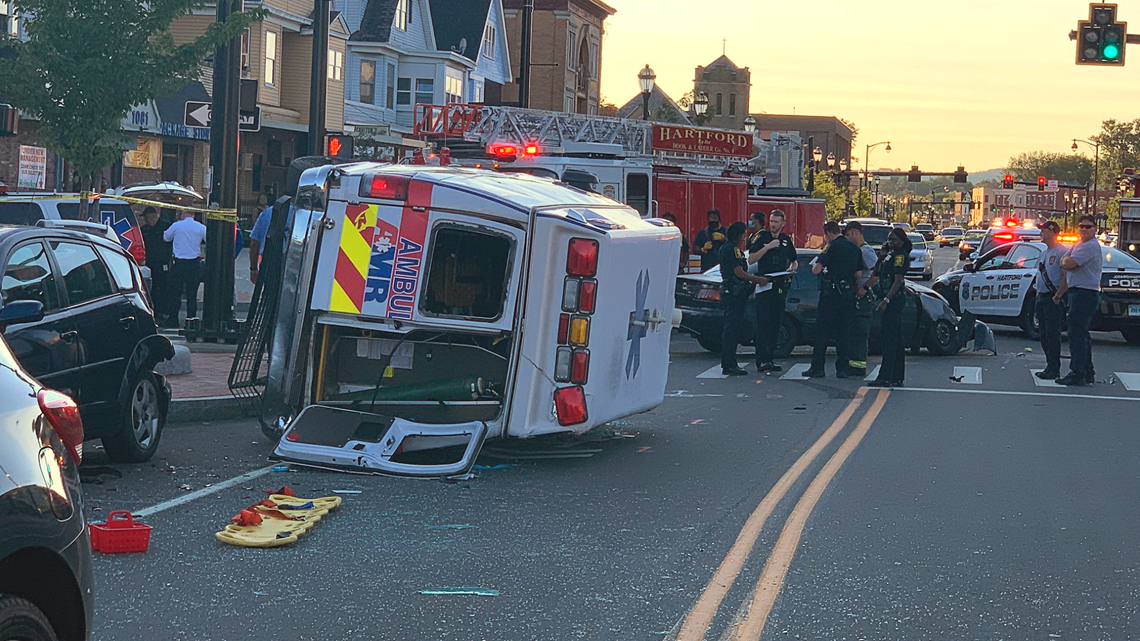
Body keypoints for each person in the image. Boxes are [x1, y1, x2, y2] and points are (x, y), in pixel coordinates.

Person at [805, 221, 863, 378]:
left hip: (831, 295)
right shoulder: (854, 248)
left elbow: (817, 270)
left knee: (823, 331)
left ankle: (817, 367)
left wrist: (819, 265)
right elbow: (859, 274)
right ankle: (842, 369)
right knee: (843, 332)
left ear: (828, 233)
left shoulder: (831, 246)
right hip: (847, 294)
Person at [747, 210, 798, 372]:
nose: (773, 224)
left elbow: (794, 260)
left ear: (783, 224)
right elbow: (751, 258)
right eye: (771, 221)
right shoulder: (762, 237)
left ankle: (770, 359)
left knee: (776, 324)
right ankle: (761, 359)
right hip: (764, 285)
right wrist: (767, 247)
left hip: (779, 285)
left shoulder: (785, 240)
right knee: (763, 325)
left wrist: (791, 269)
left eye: (776, 222)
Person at [1056, 215, 1103, 386]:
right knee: (1081, 333)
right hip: (1078, 292)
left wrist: (1065, 261)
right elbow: (1065, 260)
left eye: (1088, 226)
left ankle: (1078, 372)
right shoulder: (1079, 244)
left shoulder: (1090, 247)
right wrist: (1065, 261)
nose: (1084, 229)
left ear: (1095, 229)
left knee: (1076, 334)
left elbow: (1069, 263)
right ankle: (1087, 371)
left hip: (1085, 293)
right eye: (1082, 226)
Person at [719, 222, 770, 376]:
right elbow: (739, 272)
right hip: (734, 293)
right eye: (744, 234)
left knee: (731, 329)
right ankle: (729, 364)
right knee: (731, 330)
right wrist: (757, 280)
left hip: (731, 291)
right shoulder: (733, 249)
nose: (745, 237)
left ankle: (729, 362)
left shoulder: (726, 247)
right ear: (740, 235)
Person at [869, 228, 912, 388]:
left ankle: (886, 376)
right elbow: (876, 273)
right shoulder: (890, 255)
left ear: (901, 241)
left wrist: (887, 300)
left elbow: (898, 280)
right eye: (889, 239)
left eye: (893, 239)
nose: (890, 242)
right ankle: (896, 376)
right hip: (887, 297)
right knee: (896, 339)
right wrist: (880, 257)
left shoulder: (900, 256)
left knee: (889, 340)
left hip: (894, 300)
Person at [844, 221, 881, 377]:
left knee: (860, 334)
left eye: (847, 235)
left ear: (855, 233)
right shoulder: (858, 250)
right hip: (856, 297)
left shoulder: (866, 251)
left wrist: (864, 288)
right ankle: (853, 365)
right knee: (853, 333)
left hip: (863, 299)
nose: (846, 238)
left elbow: (877, 274)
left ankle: (858, 367)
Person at [1034, 220, 1067, 380]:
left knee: (1052, 334)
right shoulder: (1044, 253)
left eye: (1044, 230)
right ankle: (1049, 365)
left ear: (1053, 232)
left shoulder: (1062, 252)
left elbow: (1066, 277)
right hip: (1041, 297)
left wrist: (1058, 295)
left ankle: (1054, 368)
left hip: (1053, 299)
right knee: (1043, 334)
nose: (1041, 233)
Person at [163, 210, 207, 325]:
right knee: (192, 293)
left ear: (183, 214)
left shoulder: (177, 225)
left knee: (175, 293)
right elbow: (210, 241)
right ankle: (191, 319)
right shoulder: (201, 227)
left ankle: (173, 319)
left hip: (179, 263)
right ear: (193, 215)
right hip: (194, 264)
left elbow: (166, 237)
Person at [139, 206, 173, 326]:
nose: (146, 220)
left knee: (163, 287)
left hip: (163, 263)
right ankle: (153, 311)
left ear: (154, 216)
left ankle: (163, 312)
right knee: (150, 289)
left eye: (147, 217)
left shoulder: (166, 227)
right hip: (149, 264)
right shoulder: (144, 230)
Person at [248, 195, 272, 284]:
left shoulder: (268, 212)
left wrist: (253, 268)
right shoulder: (258, 210)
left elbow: (255, 243)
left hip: (268, 260)